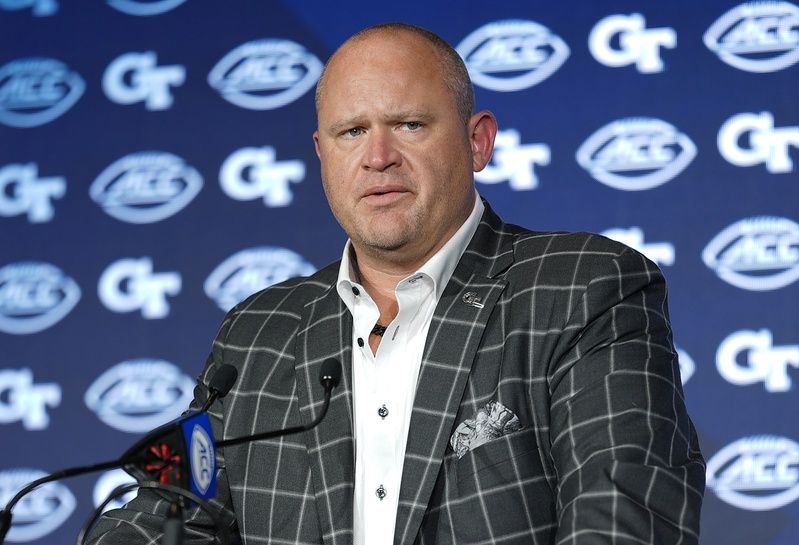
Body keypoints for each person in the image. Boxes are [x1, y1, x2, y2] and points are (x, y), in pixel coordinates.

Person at [87, 23, 705, 545]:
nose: (377, 156)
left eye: (408, 124)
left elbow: (626, 515)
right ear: (321, 154)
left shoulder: (581, 288)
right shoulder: (258, 333)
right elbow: (170, 512)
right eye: (351, 132)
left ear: (477, 140)